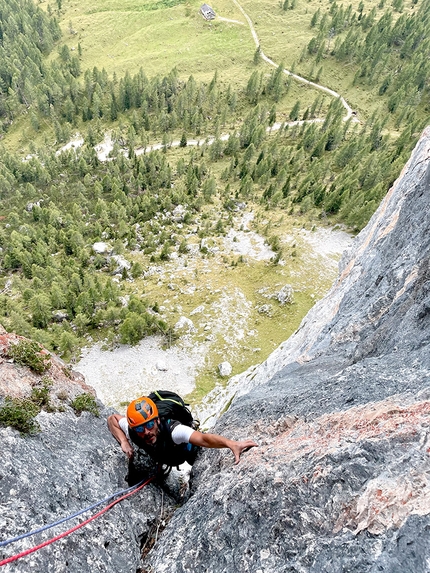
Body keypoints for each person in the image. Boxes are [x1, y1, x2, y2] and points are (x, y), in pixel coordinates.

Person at [107, 395, 257, 471]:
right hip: (163, 454)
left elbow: (204, 439)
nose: (146, 431)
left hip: (180, 451)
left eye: (149, 424)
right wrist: (124, 442)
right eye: (140, 428)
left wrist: (231, 444)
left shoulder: (174, 430)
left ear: (157, 420)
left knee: (194, 455)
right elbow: (112, 419)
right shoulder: (132, 429)